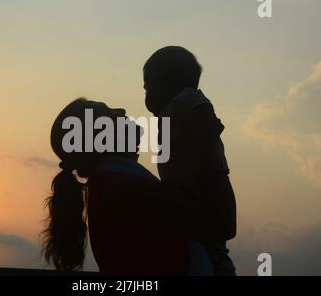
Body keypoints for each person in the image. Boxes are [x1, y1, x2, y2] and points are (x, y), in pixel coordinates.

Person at [41, 98, 235, 275]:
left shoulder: (113, 185)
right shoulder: (121, 189)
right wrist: (209, 142)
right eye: (108, 111)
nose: (121, 109)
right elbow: (221, 225)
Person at [143, 46, 237, 275]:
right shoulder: (172, 112)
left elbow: (202, 112)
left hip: (199, 186)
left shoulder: (184, 100)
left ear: (164, 85)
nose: (145, 97)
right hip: (191, 190)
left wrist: (203, 134)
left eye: (147, 88)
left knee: (210, 258)